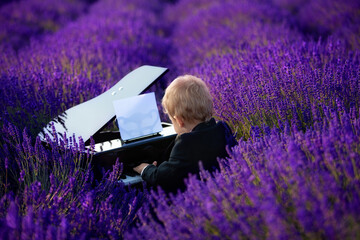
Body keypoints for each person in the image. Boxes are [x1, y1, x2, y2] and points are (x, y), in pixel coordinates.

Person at [133, 75, 237, 193]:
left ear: (179, 121)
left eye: (171, 121)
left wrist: (146, 169)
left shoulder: (186, 143)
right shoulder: (222, 127)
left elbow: (163, 178)